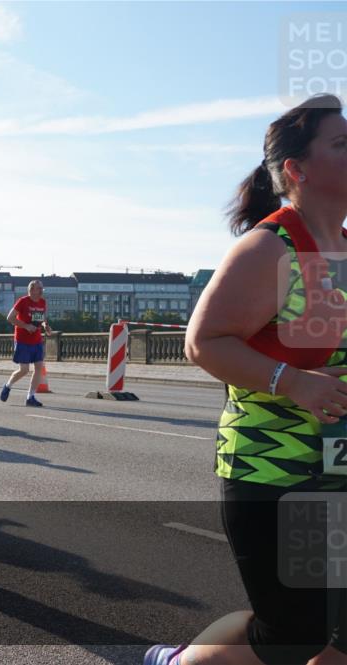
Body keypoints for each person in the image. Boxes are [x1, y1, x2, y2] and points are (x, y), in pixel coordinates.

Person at [146, 95, 347, 665]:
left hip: (338, 467)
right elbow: (203, 342)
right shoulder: (269, 248)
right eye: (341, 144)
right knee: (291, 636)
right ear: (297, 169)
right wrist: (295, 383)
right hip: (275, 470)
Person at [0, 280, 52, 407]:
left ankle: (30, 397)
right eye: (39, 288)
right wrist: (26, 326)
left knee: (39, 367)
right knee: (24, 370)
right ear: (32, 290)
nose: (41, 291)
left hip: (36, 340)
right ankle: (8, 385)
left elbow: (42, 318)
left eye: (42, 289)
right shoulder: (23, 301)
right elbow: (10, 318)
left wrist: (45, 326)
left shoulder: (42, 302)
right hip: (22, 340)